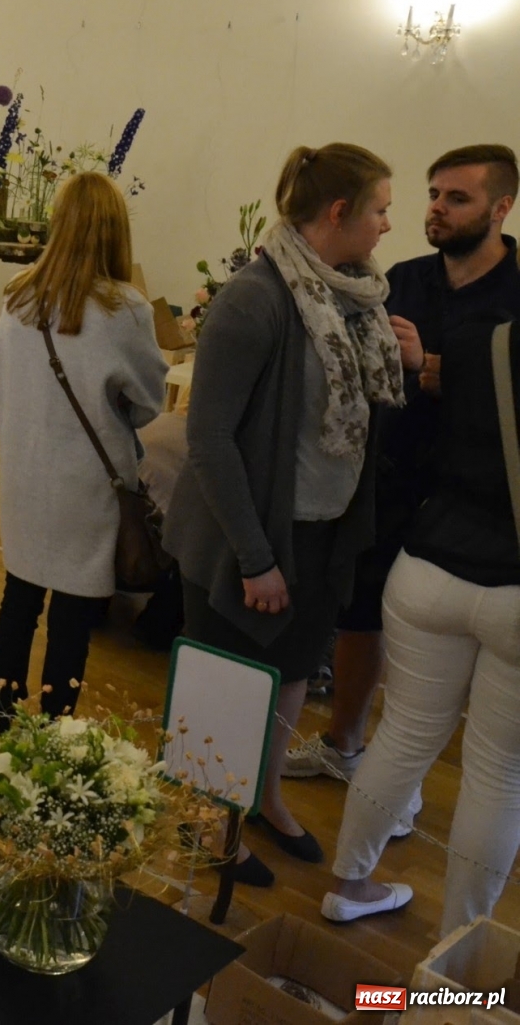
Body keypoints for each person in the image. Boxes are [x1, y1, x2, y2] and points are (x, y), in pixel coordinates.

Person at [163, 143, 415, 885]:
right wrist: (255, 557)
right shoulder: (257, 296)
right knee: (225, 687)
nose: (387, 225)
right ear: (338, 213)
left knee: (293, 675)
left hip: (321, 532)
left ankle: (266, 799)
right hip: (246, 537)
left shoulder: (356, 295)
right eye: (379, 209)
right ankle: (210, 821)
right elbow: (206, 438)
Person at [287, 146, 520, 799]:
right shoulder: (408, 278)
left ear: (502, 208)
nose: (437, 209)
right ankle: (347, 744)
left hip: (475, 506)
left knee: (444, 667)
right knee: (360, 616)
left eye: (458, 198)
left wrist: (431, 365)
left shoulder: (516, 296)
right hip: (389, 477)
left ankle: (408, 774)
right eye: (434, 194)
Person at [324, 317, 520, 931]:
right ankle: (459, 963)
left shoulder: (476, 341)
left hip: (429, 563)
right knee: (497, 775)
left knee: (402, 736)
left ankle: (348, 884)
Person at [0, 173, 168, 734]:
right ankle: (53, 736)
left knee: (19, 599)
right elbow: (148, 402)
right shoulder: (126, 309)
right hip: (87, 482)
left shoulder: (18, 294)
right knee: (71, 616)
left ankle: (6, 730)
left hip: (23, 472)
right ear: (116, 231)